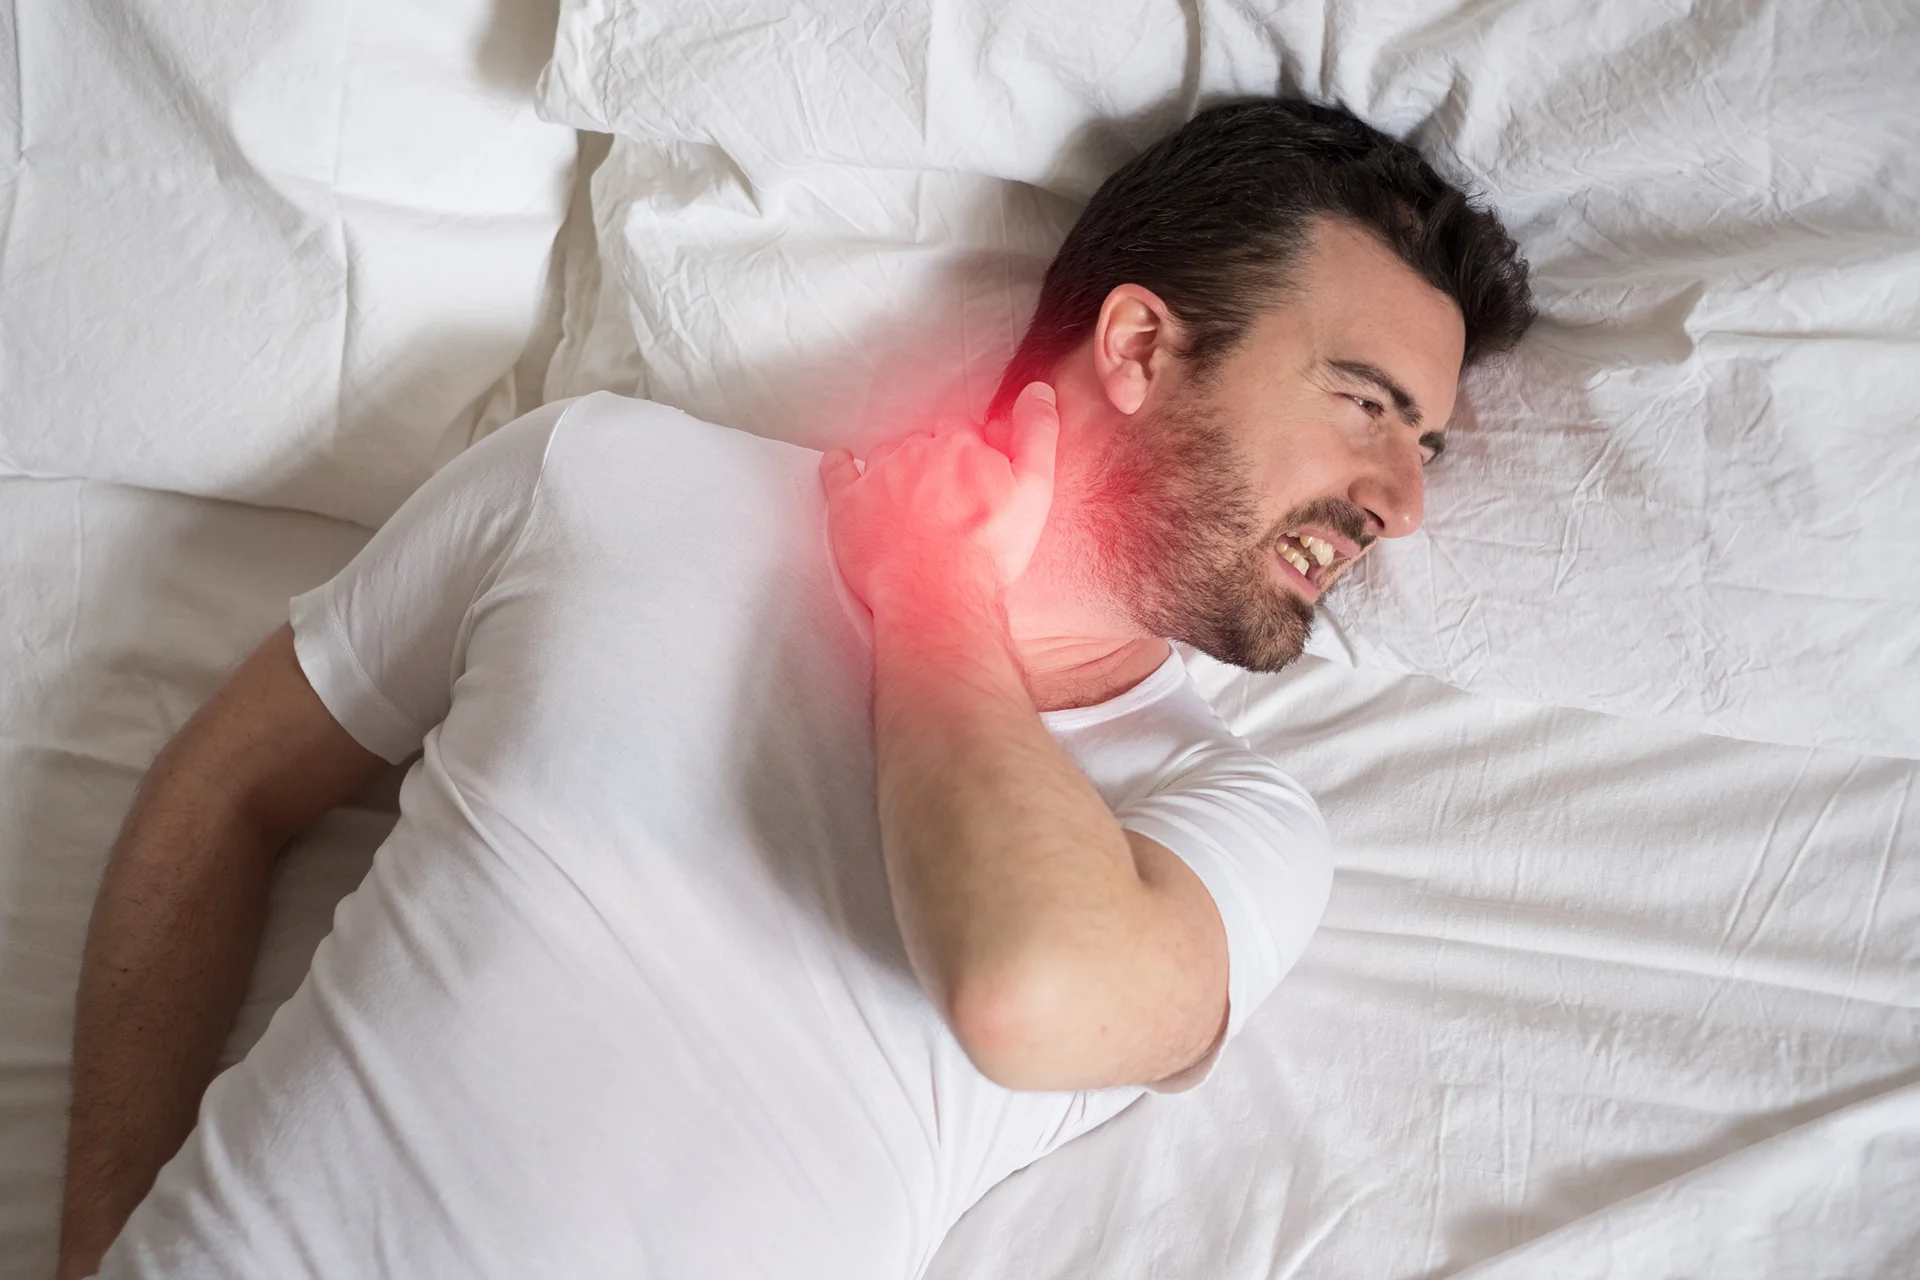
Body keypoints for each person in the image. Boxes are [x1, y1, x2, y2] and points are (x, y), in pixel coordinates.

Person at [58, 98, 1533, 1278]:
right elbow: (225, 786)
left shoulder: (1233, 824)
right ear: (1141, 345)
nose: (1401, 503)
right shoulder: (608, 480)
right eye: (1365, 409)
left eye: (1428, 449)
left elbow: (1031, 987)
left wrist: (937, 586)